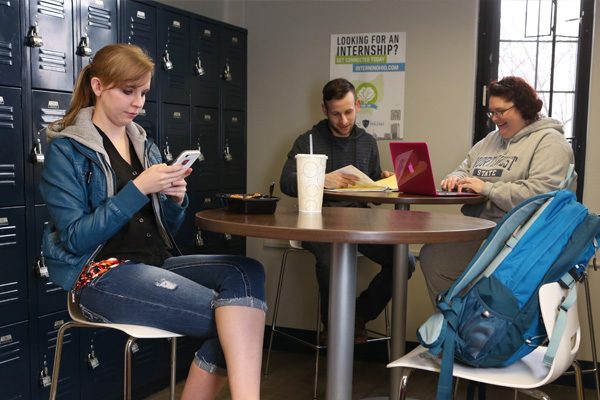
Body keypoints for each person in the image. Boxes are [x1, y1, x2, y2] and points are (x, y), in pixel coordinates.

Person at [40, 44, 267, 400]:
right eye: (128, 91)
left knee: (246, 273)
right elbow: (73, 238)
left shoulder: (143, 144)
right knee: (237, 321)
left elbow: (159, 232)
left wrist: (175, 201)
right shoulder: (66, 151)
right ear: (98, 87)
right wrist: (137, 189)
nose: (138, 103)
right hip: (101, 273)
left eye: (143, 92)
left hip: (154, 265)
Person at [280, 78, 417, 344]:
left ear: (358, 105)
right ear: (324, 110)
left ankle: (357, 316)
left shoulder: (367, 142)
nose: (343, 120)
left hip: (359, 222)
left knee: (405, 261)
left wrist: (384, 182)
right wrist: (322, 179)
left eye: (349, 112)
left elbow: (374, 188)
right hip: (317, 222)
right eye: (336, 113)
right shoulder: (307, 141)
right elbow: (286, 182)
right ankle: (333, 326)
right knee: (331, 260)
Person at [420, 75, 576, 306]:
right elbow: (465, 169)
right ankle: (455, 329)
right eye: (491, 112)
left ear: (524, 108)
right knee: (435, 258)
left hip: (523, 237)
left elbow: (541, 195)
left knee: (489, 279)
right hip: (480, 230)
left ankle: (480, 331)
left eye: (501, 111)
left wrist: (487, 188)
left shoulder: (551, 143)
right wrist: (455, 178)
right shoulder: (490, 141)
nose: (495, 118)